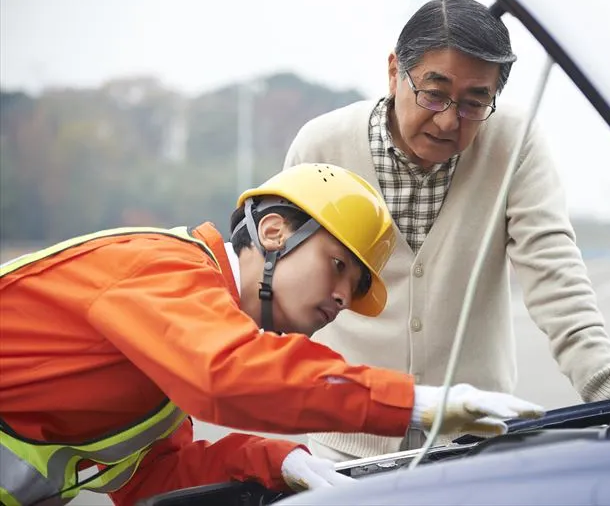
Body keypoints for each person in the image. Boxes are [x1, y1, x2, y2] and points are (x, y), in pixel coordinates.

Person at [0, 163, 544, 506]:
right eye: (336, 266)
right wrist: (412, 403)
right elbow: (226, 376)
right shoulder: (162, 267)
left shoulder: (178, 347)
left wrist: (277, 461)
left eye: (354, 292)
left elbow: (148, 480)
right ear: (273, 231)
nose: (340, 299)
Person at [283, 0, 610, 462]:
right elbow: (284, 288)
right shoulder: (322, 143)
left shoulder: (514, 140)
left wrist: (608, 386)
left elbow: (552, 265)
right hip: (346, 441)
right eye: (434, 93)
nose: (448, 120)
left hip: (475, 442)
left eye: (475, 102)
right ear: (396, 72)